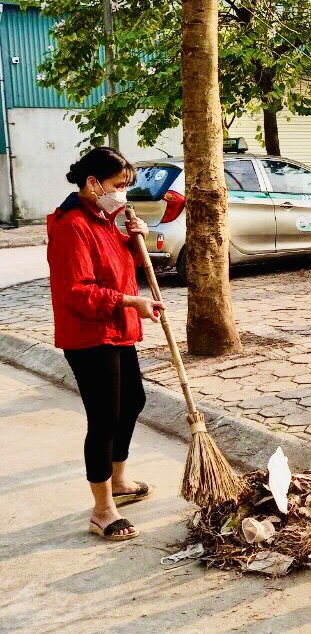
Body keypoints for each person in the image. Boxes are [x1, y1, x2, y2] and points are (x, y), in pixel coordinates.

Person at [47, 147, 165, 542]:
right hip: (89, 335)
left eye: (126, 186)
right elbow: (77, 292)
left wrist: (134, 243)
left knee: (132, 402)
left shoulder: (102, 219)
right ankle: (102, 510)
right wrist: (130, 302)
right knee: (104, 418)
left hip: (115, 329)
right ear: (93, 183)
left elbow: (116, 268)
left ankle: (118, 480)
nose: (122, 194)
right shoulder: (72, 226)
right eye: (118, 185)